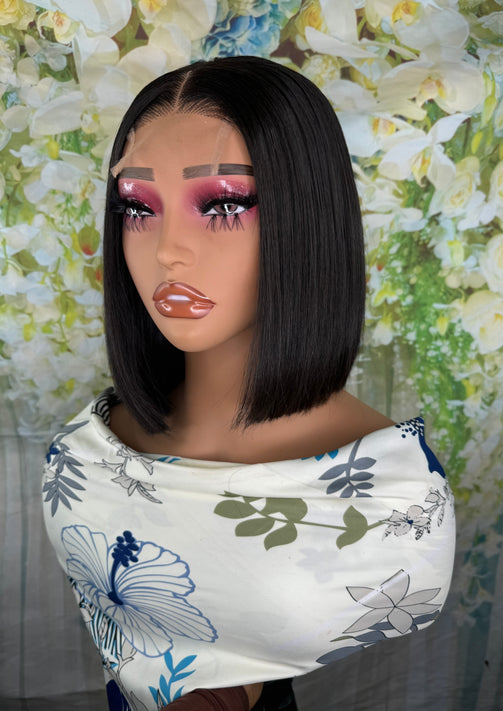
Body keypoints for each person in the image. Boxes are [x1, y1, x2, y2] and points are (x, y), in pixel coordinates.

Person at [42, 56, 455, 711]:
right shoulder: (88, 444)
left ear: (304, 216)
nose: (168, 249)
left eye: (222, 204)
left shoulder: (395, 498)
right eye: (138, 207)